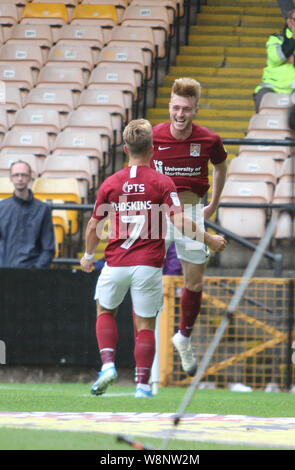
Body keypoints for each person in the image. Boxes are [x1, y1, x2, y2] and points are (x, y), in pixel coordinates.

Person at [80, 119, 226, 398]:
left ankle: (108, 365)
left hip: (116, 262)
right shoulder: (162, 182)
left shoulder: (111, 183)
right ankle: (143, 386)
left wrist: (88, 256)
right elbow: (180, 220)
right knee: (145, 324)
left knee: (105, 311)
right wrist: (210, 239)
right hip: (148, 264)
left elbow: (93, 226)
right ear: (153, 150)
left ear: (125, 149)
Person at [150, 77, 228, 377]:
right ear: (169, 106)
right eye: (175, 108)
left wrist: (215, 203)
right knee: (144, 277)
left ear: (195, 110)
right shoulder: (153, 135)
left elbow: (221, 167)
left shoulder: (209, 139)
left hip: (192, 211)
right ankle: (143, 362)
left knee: (194, 283)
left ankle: (183, 337)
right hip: (158, 212)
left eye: (186, 109)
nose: (179, 115)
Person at [0, 160, 55, 268]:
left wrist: (34, 272)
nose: (20, 178)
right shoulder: (1, 208)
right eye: (16, 175)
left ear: (30, 177)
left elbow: (48, 248)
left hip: (31, 277)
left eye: (24, 175)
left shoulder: (42, 210)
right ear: (11, 178)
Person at [253, 7, 295, 113]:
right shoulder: (277, 38)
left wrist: (293, 59)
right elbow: (276, 58)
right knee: (263, 105)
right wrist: (294, 40)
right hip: (271, 88)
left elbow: (282, 56)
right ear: (289, 22)